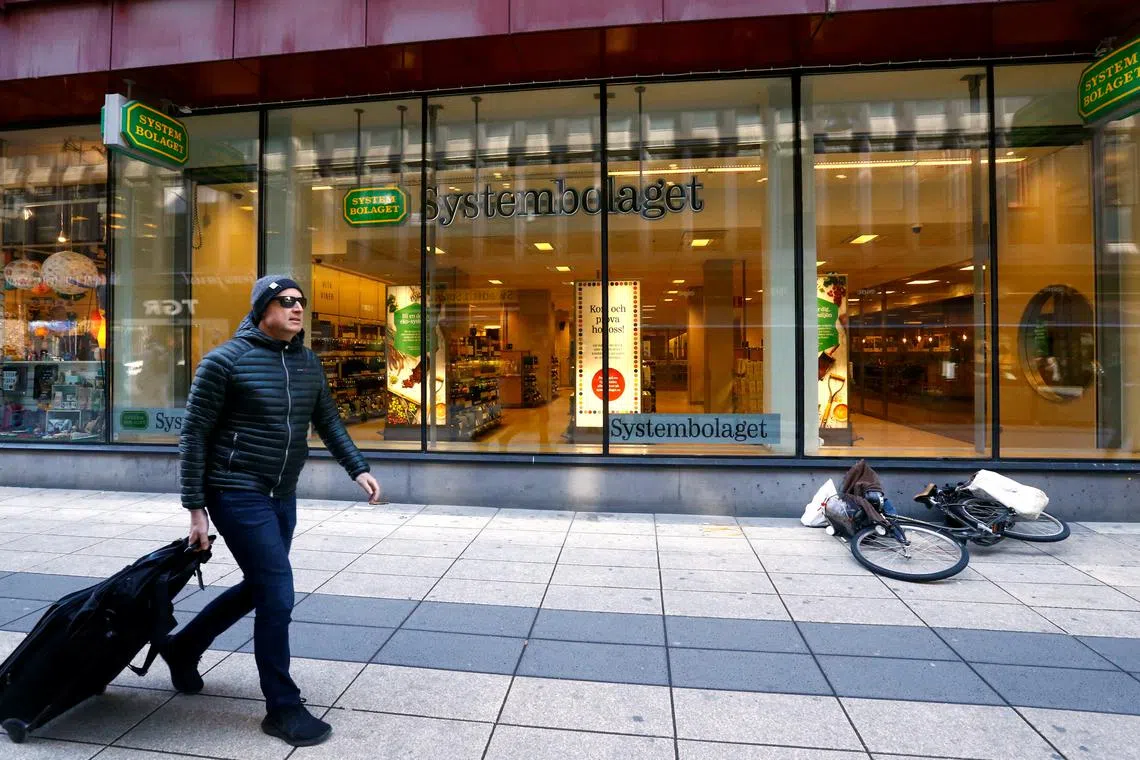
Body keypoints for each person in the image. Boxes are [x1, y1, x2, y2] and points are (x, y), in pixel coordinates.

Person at [168, 274, 382, 747]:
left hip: (281, 493)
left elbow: (327, 419)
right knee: (278, 593)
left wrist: (357, 468)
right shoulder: (225, 361)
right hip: (235, 490)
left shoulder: (307, 362)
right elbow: (194, 436)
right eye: (285, 301)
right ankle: (282, 706)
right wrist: (196, 509)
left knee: (260, 586)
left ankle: (183, 646)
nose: (297, 308)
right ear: (261, 309)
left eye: (300, 301)